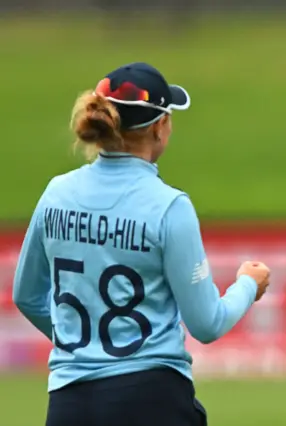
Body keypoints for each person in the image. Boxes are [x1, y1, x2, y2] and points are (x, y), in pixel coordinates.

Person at [12, 62, 271, 426]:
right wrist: (248, 284)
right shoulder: (169, 207)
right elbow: (208, 323)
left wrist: (85, 348)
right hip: (152, 400)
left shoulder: (56, 194)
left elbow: (27, 296)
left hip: (69, 404)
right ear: (158, 128)